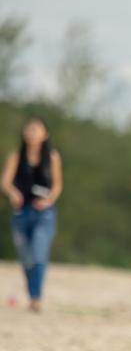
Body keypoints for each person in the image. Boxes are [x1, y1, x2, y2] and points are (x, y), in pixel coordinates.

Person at [2, 117, 63, 312]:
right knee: (26, 257)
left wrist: (49, 200)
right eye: (29, 129)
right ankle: (32, 294)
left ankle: (36, 298)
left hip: (44, 213)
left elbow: (57, 185)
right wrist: (13, 193)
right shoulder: (16, 156)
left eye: (36, 129)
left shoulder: (52, 157)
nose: (32, 132)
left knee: (39, 252)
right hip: (22, 212)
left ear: (45, 134)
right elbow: (5, 182)